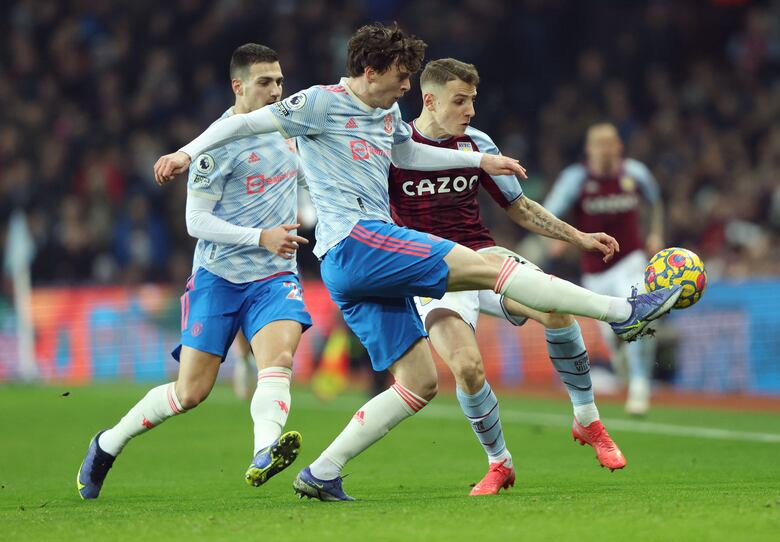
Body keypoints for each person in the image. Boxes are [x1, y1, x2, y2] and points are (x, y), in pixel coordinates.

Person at [153, 23, 682, 501]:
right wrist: (185, 152)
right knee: (486, 267)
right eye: (401, 78)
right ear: (369, 70)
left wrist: (479, 160)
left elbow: (408, 154)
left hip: (359, 266)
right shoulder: (317, 103)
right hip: (357, 240)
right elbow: (242, 127)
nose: (407, 88)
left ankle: (323, 471)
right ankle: (624, 311)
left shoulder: (385, 114)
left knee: (419, 382)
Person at [77, 44, 312, 499]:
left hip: (275, 276)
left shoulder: (290, 129)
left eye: (280, 81)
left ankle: (264, 451)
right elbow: (195, 223)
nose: (277, 91)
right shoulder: (215, 145)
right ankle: (107, 444)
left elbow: (305, 180)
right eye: (266, 82)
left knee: (279, 360)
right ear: (238, 86)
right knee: (190, 393)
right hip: (218, 279)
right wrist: (259, 235)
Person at [388, 58, 626, 496]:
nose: (470, 111)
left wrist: (578, 237)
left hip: (483, 257)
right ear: (429, 100)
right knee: (467, 369)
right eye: (460, 101)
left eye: (472, 101)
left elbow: (518, 207)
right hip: (430, 271)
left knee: (556, 312)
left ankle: (587, 419)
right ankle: (500, 464)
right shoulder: (394, 146)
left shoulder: (476, 144)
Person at [544, 123, 663, 415]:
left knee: (637, 315)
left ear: (619, 146)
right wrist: (558, 238)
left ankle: (639, 385)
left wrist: (655, 233)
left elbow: (656, 202)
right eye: (600, 144)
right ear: (590, 149)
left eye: (611, 143)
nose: (606, 149)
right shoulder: (576, 179)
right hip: (595, 271)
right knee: (614, 335)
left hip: (630, 259)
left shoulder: (634, 173)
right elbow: (548, 211)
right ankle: (624, 362)